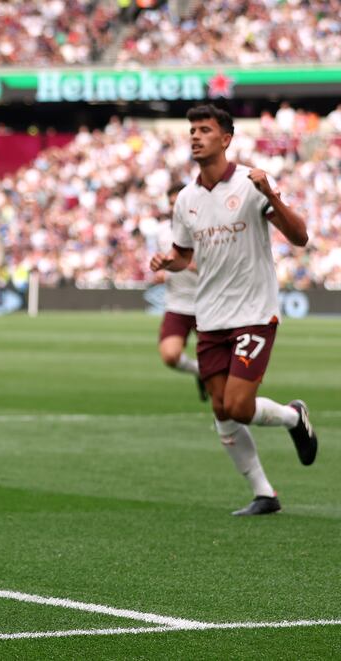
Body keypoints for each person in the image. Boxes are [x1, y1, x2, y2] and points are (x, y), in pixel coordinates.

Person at [150, 105, 318, 516]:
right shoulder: (186, 199)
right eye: (191, 130)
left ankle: (295, 418)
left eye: (204, 130)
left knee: (240, 406)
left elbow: (299, 237)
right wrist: (167, 263)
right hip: (210, 316)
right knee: (222, 410)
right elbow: (184, 253)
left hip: (254, 312)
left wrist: (271, 195)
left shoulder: (250, 183)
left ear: (225, 139)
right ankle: (265, 494)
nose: (195, 136)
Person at [153, 182, 206, 401]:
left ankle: (226, 420)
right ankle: (200, 372)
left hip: (208, 304)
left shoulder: (206, 227)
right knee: (169, 355)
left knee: (220, 367)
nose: (175, 208)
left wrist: (190, 265)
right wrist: (161, 272)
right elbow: (165, 263)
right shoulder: (163, 232)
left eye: (179, 203)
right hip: (177, 303)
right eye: (172, 203)